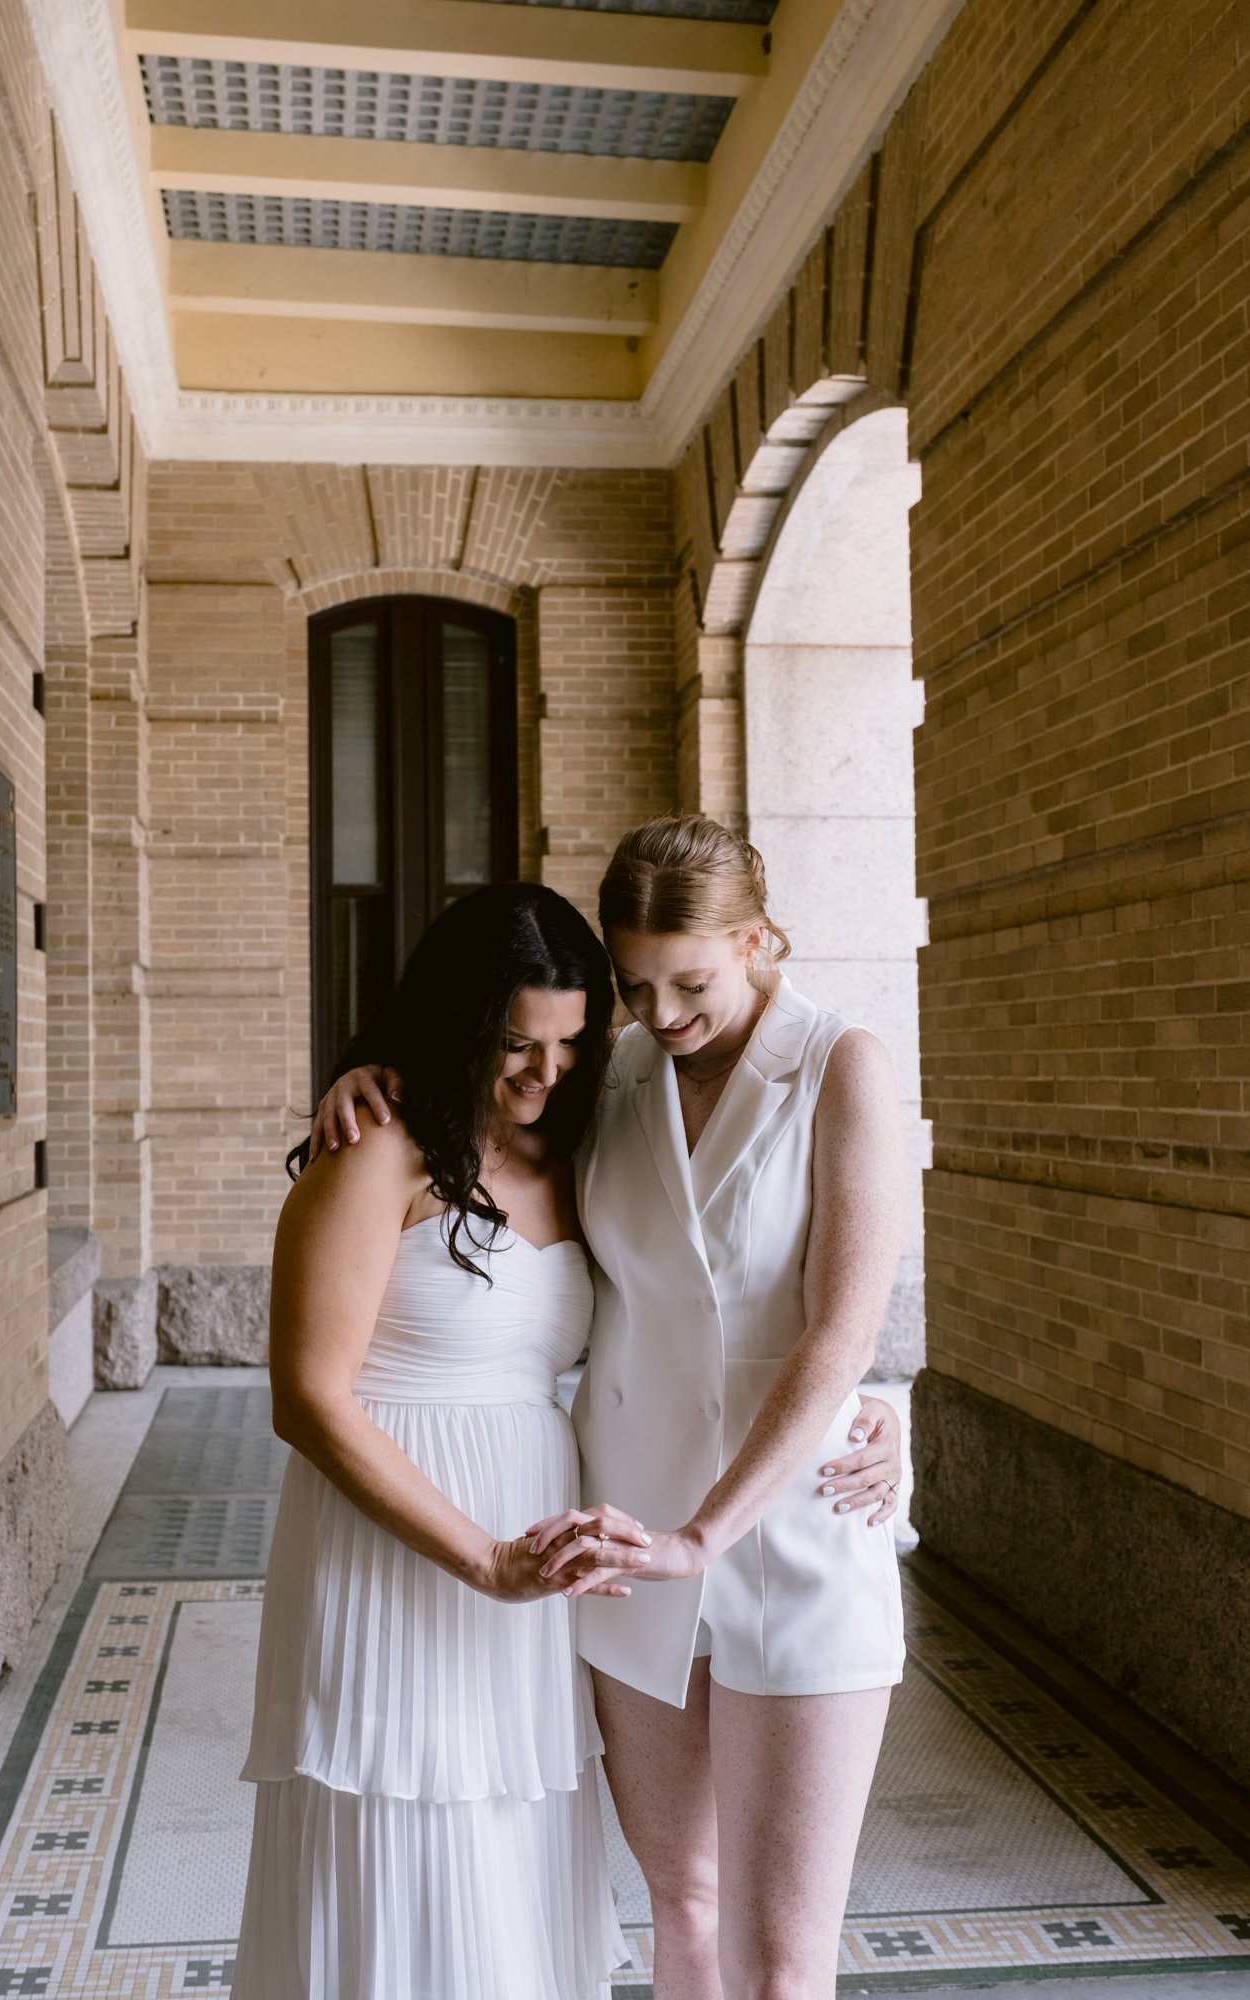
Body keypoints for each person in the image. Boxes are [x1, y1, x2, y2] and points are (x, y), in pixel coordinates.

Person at [315, 815, 908, 2000]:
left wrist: (876, 1417)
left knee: (782, 1959)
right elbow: (485, 1145)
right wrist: (368, 1075)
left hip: (788, 1525)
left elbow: (841, 1327)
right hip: (629, 1533)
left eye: (690, 982)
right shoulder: (611, 1067)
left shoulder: (839, 1063)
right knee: (679, 1903)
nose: (662, 1012)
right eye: (634, 985)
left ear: (757, 940)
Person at [233, 883, 655, 2000]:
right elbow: (306, 1398)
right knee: (399, 1839)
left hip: (527, 1553)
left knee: (509, 1846)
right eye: (516, 1043)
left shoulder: (576, 1149)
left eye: (571, 1043)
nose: (545, 1072)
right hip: (396, 1546)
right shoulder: (375, 1147)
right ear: (460, 1021)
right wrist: (482, 1558)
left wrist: (849, 1403)